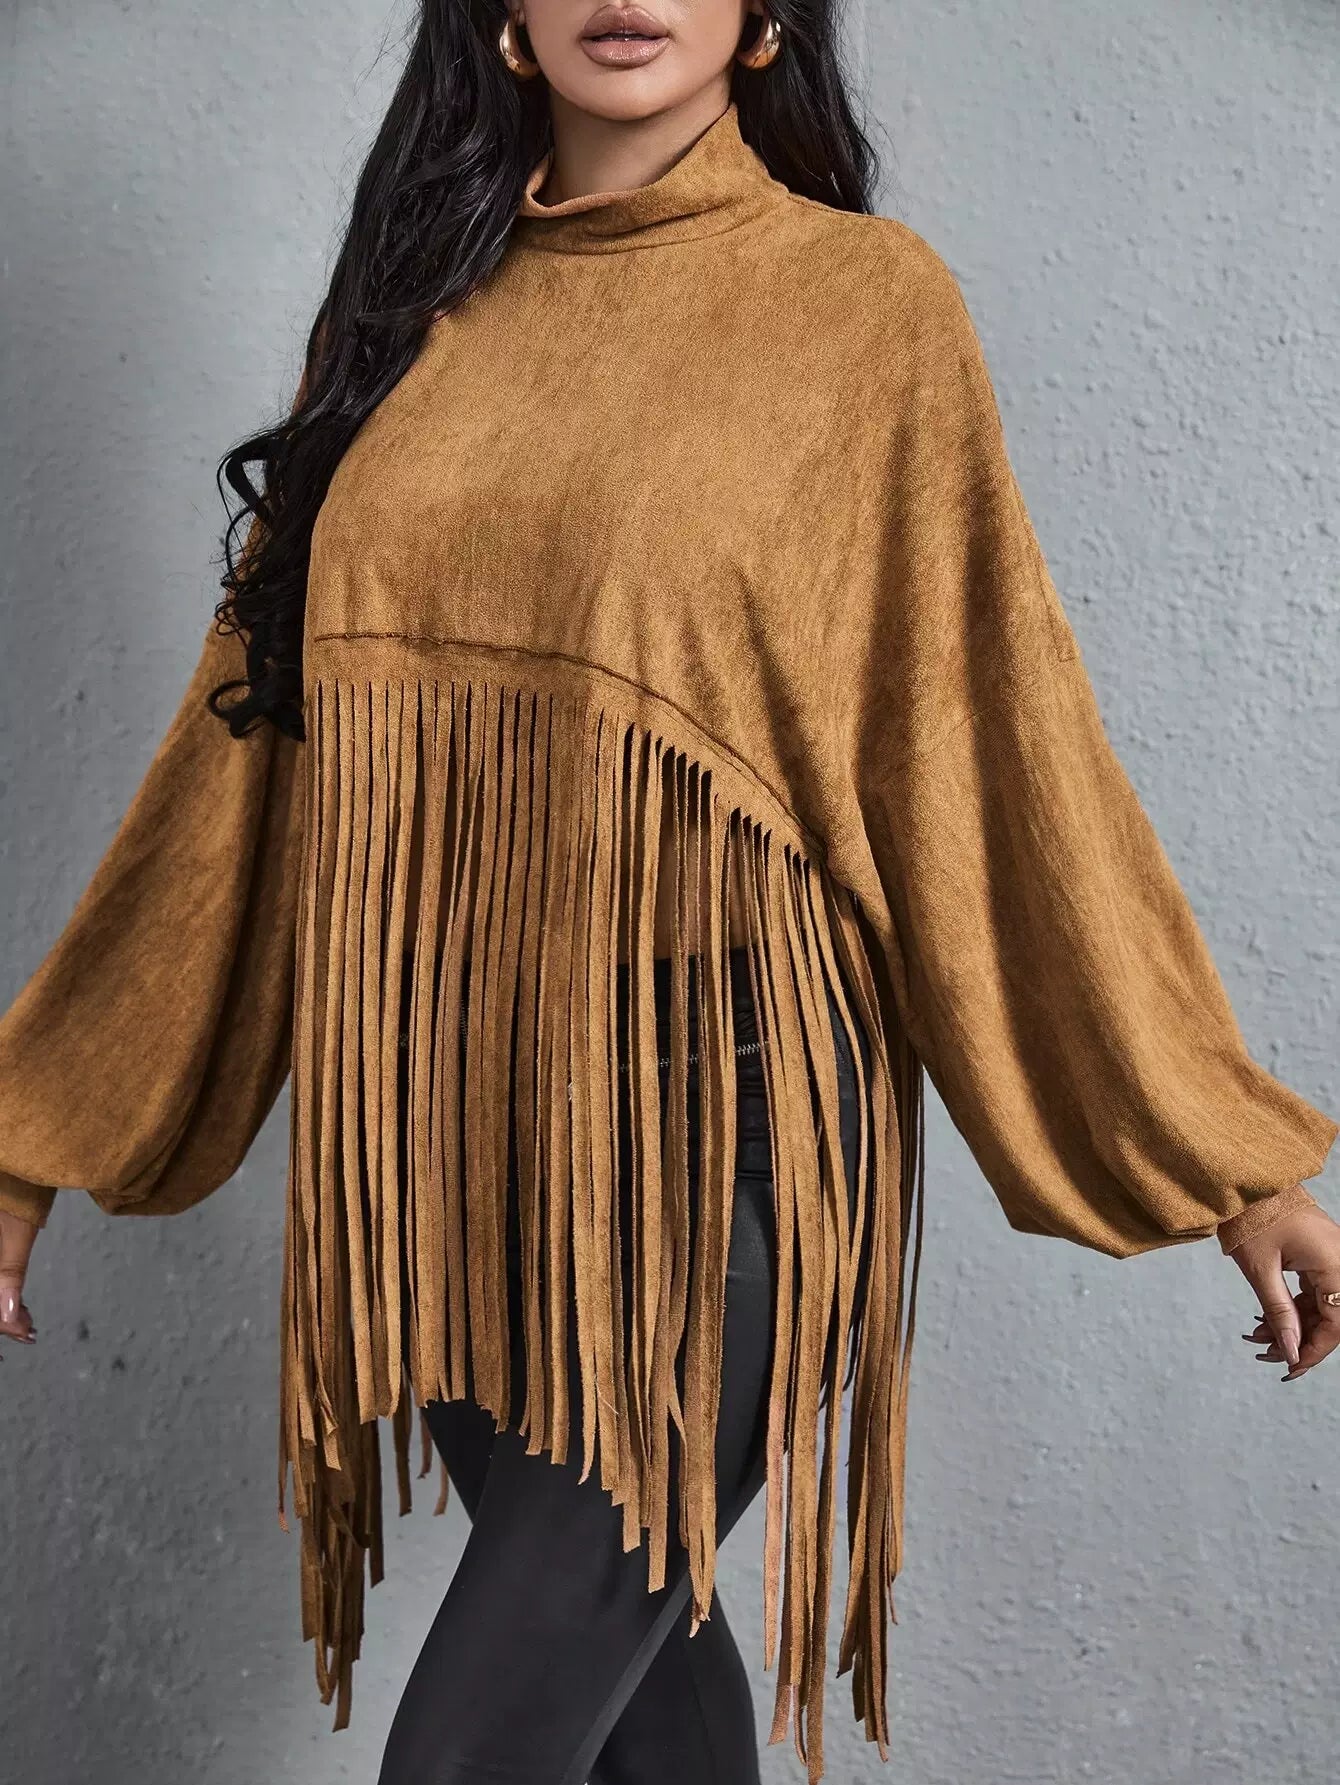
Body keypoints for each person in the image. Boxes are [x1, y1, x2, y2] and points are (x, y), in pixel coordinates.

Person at [2, 4, 1338, 1782]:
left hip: (729, 1122)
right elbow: (244, 755)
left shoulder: (864, 312)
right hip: (449, 1138)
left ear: (765, 17)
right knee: (648, 1736)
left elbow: (992, 746)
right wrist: (34, 1128)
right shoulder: (399, 317)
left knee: (470, 1755)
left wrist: (1230, 1160)